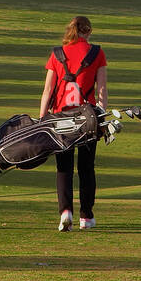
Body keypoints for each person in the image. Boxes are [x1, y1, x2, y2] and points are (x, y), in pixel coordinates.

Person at [39, 15, 107, 231]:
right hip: (87, 118)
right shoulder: (97, 53)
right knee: (87, 168)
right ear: (88, 32)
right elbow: (102, 90)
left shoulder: (57, 54)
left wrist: (41, 120)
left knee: (64, 168)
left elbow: (48, 90)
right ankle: (86, 216)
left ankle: (65, 211)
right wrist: (102, 117)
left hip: (60, 118)